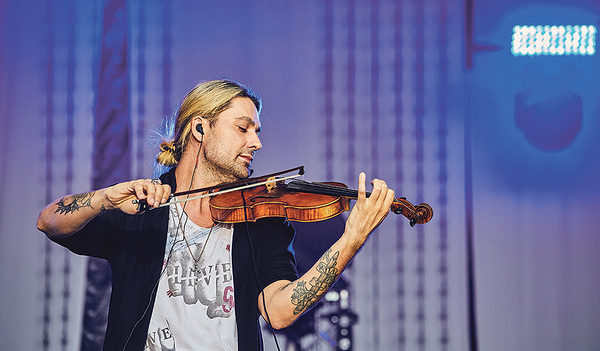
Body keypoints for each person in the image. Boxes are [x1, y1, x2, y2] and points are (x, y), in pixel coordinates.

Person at [37, 79, 395, 350]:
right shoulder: (143, 206)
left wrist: (352, 239)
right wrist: (103, 198)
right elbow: (49, 221)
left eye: (256, 131)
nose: (256, 143)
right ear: (199, 128)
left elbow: (280, 311)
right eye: (242, 128)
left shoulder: (260, 219)